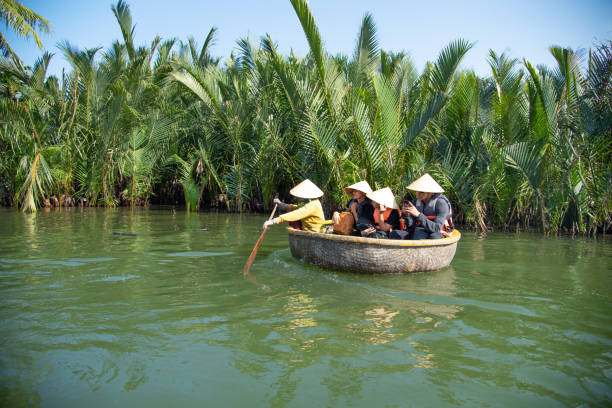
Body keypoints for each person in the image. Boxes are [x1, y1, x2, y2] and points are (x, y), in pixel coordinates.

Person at [399, 173, 453, 240]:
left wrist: (418, 215)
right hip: (421, 230)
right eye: (417, 191)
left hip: (440, 232)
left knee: (434, 237)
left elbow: (437, 228)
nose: (418, 194)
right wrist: (406, 215)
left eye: (422, 192)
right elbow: (411, 226)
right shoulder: (415, 202)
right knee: (397, 234)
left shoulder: (441, 204)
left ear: (431, 192)